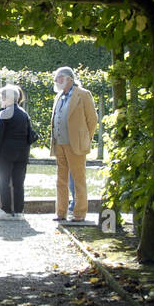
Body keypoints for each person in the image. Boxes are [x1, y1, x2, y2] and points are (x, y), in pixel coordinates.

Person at [49, 66, 98, 222]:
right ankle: (61, 212)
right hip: (60, 144)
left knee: (78, 179)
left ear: (69, 79)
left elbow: (92, 120)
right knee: (60, 180)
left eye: (59, 78)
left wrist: (85, 138)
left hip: (75, 144)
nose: (56, 81)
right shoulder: (58, 96)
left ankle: (79, 213)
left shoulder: (83, 94)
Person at [0, 85, 34, 219]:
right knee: (18, 182)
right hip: (22, 152)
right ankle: (19, 211)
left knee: (3, 180)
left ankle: (6, 210)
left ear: (5, 98)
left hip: (6, 152)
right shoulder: (24, 113)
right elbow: (29, 135)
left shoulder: (4, 113)